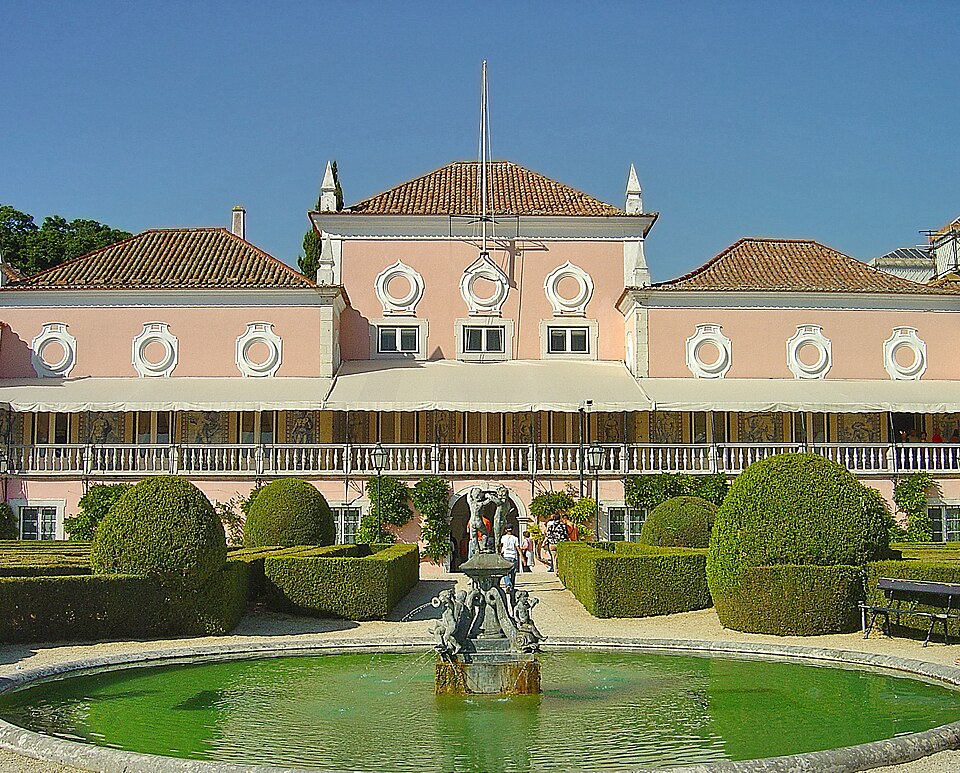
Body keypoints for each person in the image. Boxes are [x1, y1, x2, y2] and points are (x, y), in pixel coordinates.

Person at [500, 524, 520, 591]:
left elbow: (502, 547)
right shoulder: (515, 538)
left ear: (506, 530)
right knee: (513, 573)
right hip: (513, 556)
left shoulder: (503, 538)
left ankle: (508, 584)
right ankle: (512, 587)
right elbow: (517, 547)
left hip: (506, 556)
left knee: (506, 572)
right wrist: (522, 557)